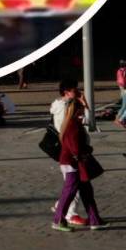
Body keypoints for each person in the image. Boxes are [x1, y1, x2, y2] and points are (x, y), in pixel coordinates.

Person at [52, 97, 106, 231]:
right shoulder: (73, 125)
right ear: (76, 111)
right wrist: (88, 150)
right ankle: (58, 220)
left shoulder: (71, 123)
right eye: (81, 111)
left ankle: (95, 220)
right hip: (72, 163)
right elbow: (75, 149)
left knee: (87, 192)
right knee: (69, 192)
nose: (82, 114)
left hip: (74, 162)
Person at [50, 78, 88, 228]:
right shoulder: (64, 107)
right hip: (70, 151)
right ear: (66, 92)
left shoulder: (66, 105)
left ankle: (60, 206)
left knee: (71, 184)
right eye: (75, 90)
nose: (78, 93)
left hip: (69, 149)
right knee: (74, 185)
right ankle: (70, 214)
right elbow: (76, 126)